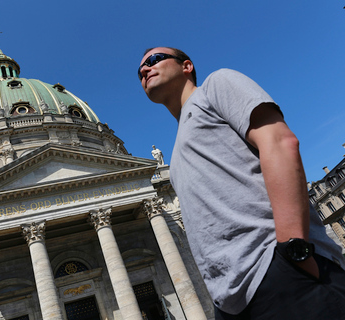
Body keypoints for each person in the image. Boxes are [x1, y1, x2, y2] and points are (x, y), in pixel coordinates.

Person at [138, 47, 345, 319]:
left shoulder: (215, 86)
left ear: (186, 66)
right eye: (139, 70)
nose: (144, 70)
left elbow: (280, 143)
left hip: (281, 271)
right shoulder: (176, 153)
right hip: (233, 302)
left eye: (154, 60)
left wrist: (294, 250)